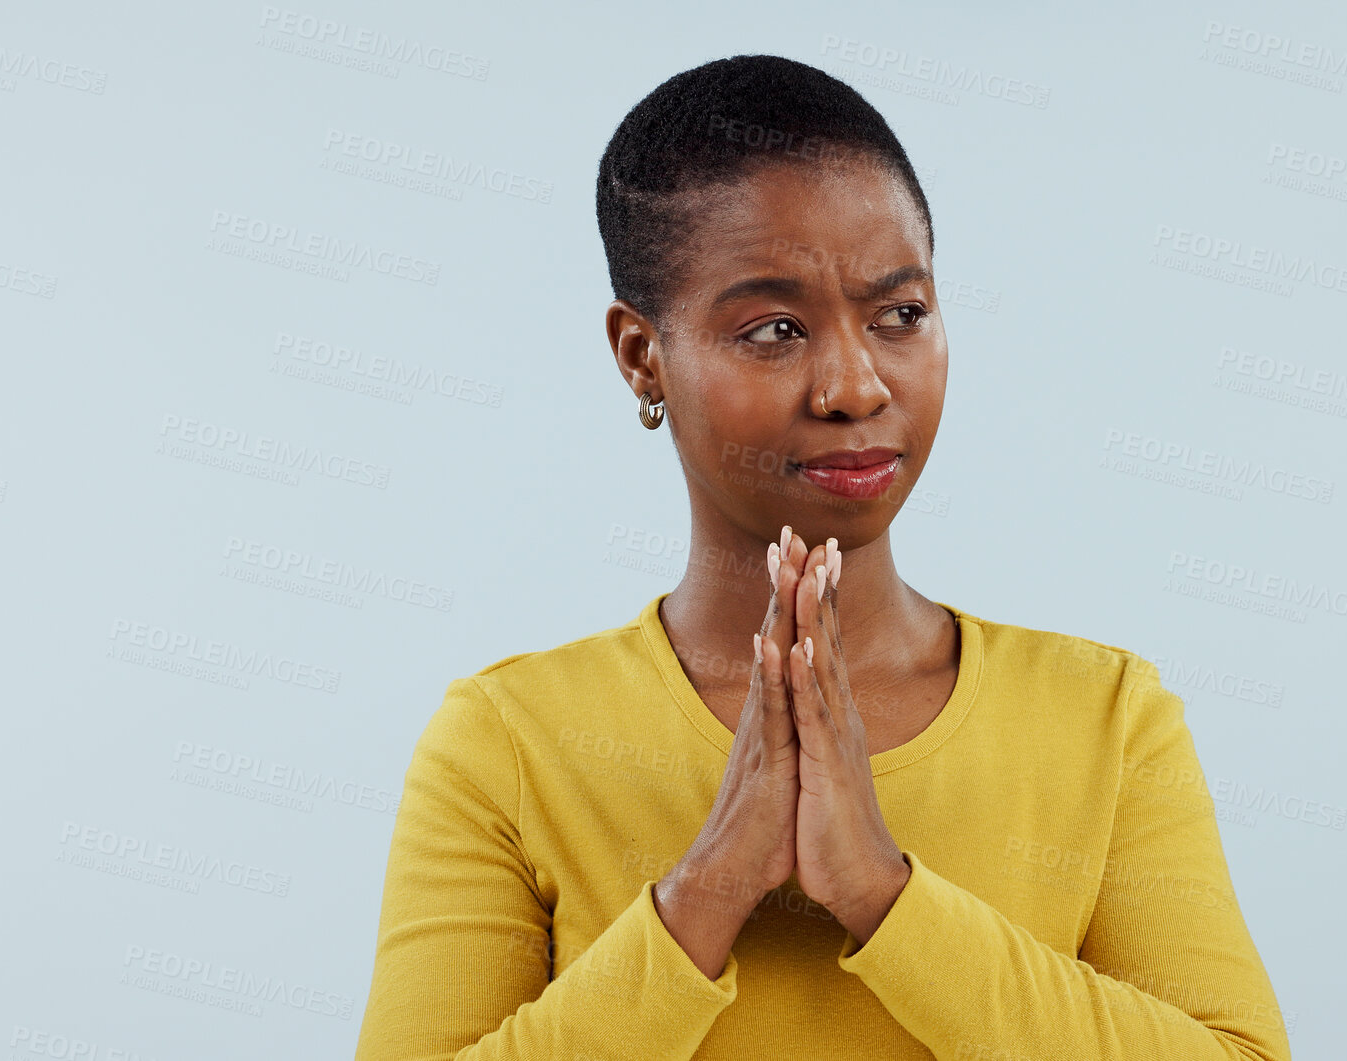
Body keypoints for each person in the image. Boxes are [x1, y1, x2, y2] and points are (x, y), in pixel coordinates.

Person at [353, 53, 1290, 1061]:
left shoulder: (1106, 718)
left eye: (900, 315)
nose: (855, 386)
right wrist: (707, 888)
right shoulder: (506, 742)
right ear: (641, 354)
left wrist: (884, 893)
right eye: (774, 328)